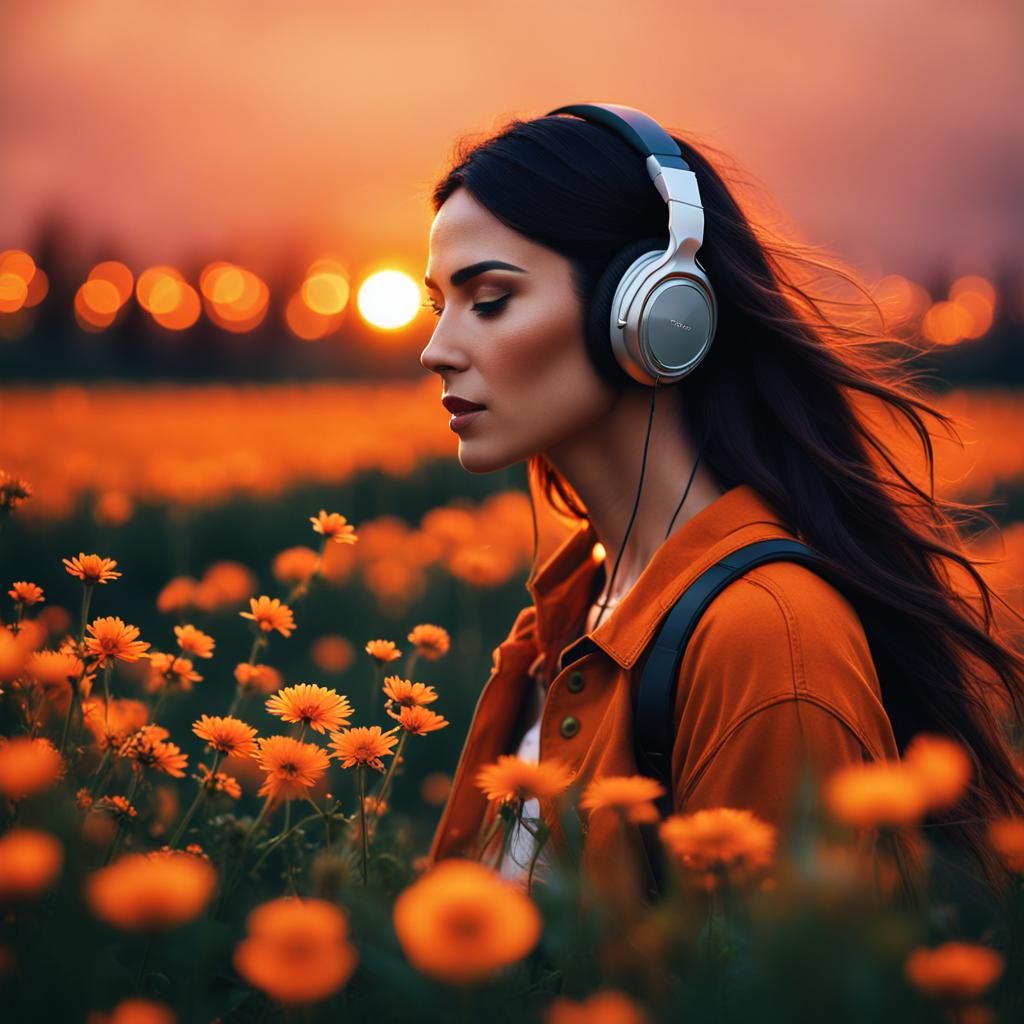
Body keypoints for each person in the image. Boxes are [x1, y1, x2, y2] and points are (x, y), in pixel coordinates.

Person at [417, 103, 1024, 905]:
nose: (436, 351)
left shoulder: (767, 638)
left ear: (655, 311)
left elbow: (778, 963)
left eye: (490, 299)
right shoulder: (574, 609)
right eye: (438, 307)